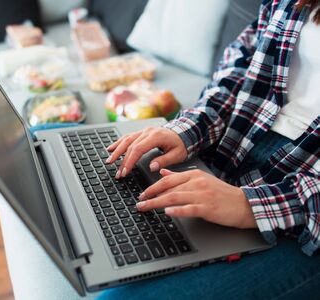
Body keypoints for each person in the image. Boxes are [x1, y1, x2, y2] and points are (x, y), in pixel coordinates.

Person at [98, 0, 320, 298]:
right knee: (89, 176)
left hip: (304, 211)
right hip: (237, 142)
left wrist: (249, 207)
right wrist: (187, 130)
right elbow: (241, 63)